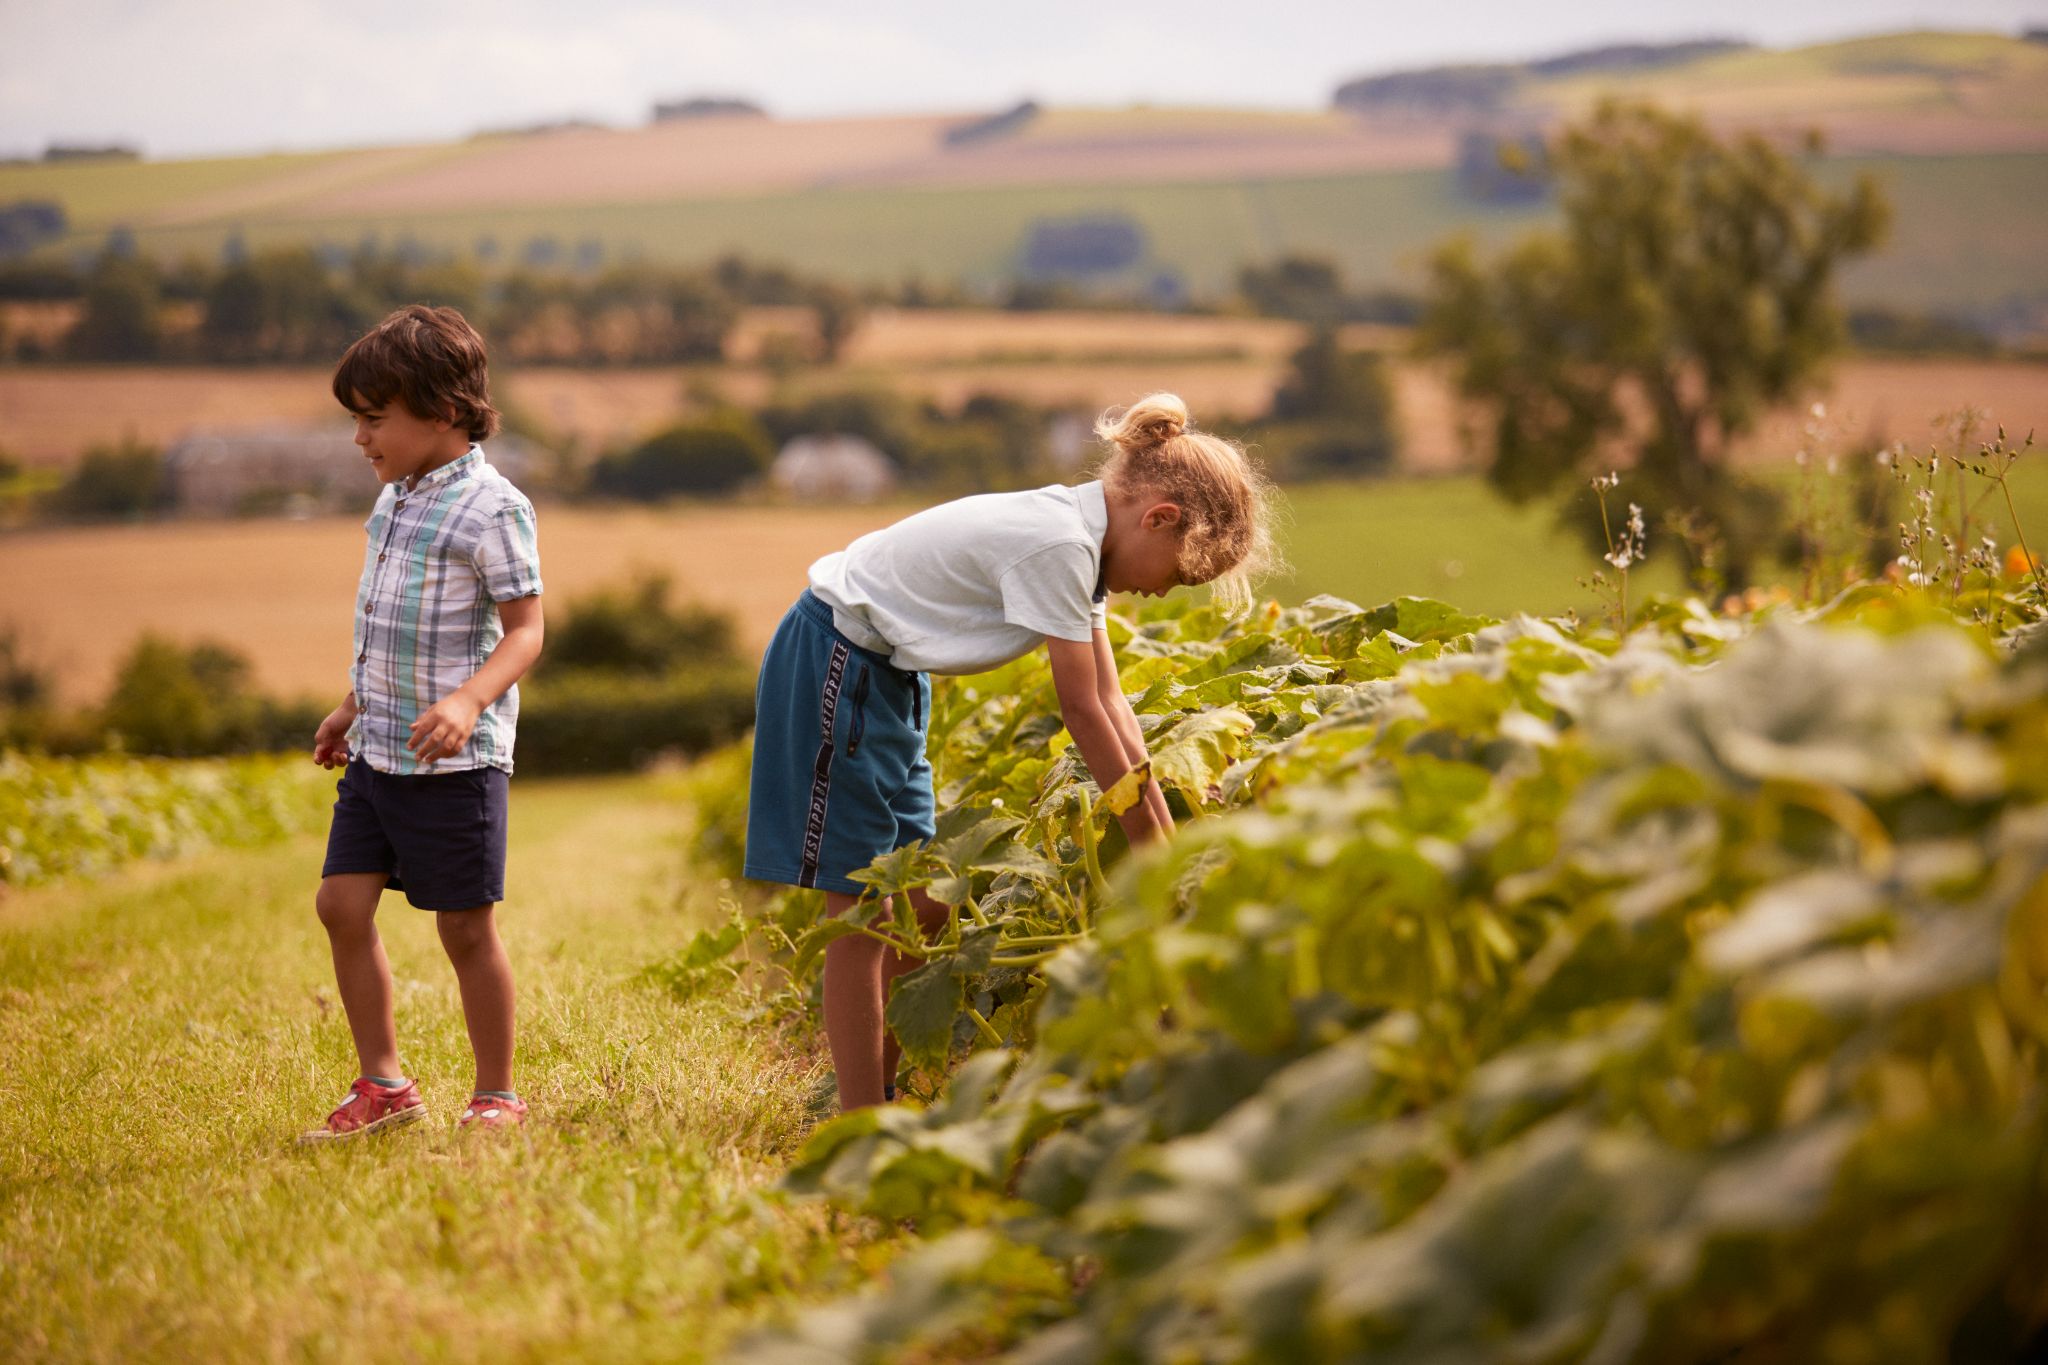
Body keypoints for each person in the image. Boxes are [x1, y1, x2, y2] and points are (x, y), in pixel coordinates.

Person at [745, 392, 1276, 1110]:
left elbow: (1114, 702)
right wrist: (1152, 854)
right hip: (837, 659)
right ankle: (859, 1123)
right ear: (1159, 518)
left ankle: (880, 1082)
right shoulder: (1059, 544)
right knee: (863, 910)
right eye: (1176, 573)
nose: (1159, 592)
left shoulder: (1081, 547)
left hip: (889, 677)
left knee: (925, 904)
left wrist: (1166, 843)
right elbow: (1082, 711)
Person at [299, 305, 545, 1142]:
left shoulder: (494, 508)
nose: (361, 438)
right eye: (357, 420)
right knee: (340, 904)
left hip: (457, 761)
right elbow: (385, 625)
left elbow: (526, 631)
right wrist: (350, 704)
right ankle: (385, 1084)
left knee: (465, 928)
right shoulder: (395, 501)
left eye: (374, 418)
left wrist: (470, 698)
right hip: (377, 752)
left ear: (441, 410)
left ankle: (498, 1092)